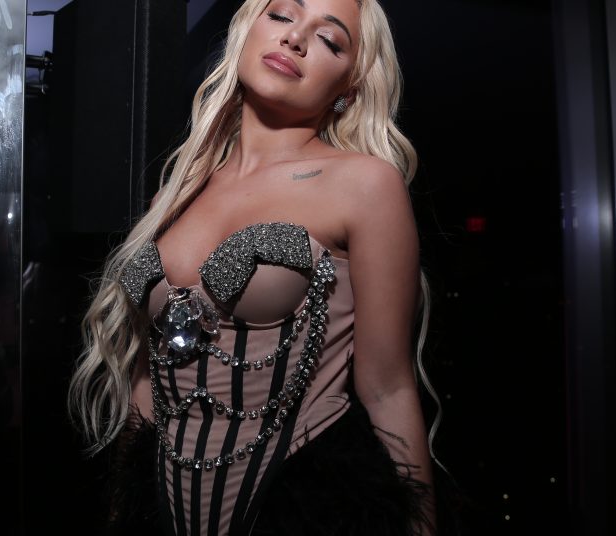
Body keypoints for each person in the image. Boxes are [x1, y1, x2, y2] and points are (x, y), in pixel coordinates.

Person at [69, 0, 441, 534]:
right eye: (282, 15)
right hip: (157, 509)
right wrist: (120, 514)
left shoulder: (365, 185)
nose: (295, 39)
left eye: (330, 40)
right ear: (247, 30)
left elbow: (388, 389)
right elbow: (146, 385)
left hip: (305, 507)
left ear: (349, 87)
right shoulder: (179, 190)